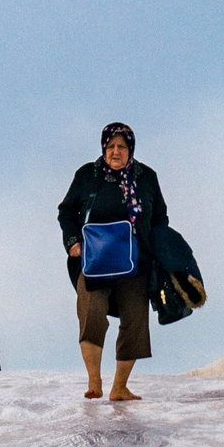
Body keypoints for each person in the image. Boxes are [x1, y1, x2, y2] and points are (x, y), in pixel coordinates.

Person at [59, 120, 167, 401]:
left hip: (137, 262)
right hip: (95, 261)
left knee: (135, 322)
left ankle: (120, 387)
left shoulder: (146, 177)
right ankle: (94, 380)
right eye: (110, 146)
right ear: (103, 149)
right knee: (91, 315)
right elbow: (66, 211)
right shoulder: (87, 175)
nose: (115, 151)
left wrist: (165, 253)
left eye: (121, 146)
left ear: (130, 149)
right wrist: (72, 242)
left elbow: (160, 219)